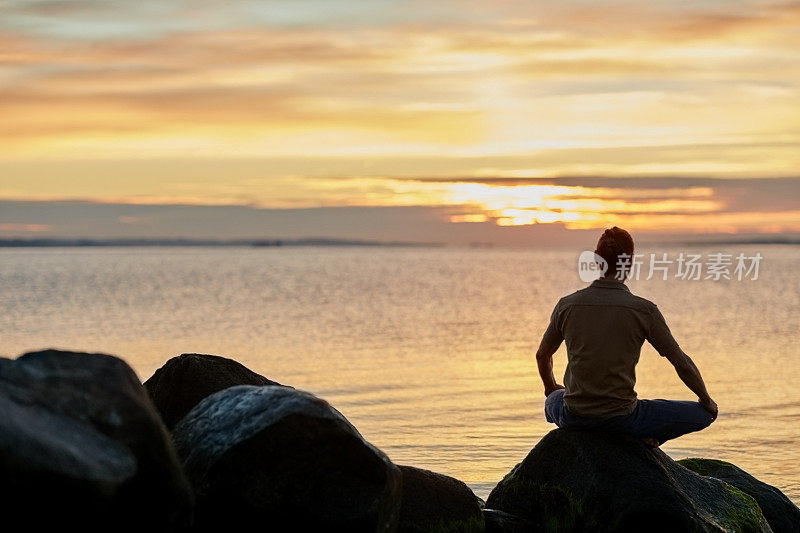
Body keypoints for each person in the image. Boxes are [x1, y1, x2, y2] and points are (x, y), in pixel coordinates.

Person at [535, 226, 718, 447]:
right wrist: (706, 400)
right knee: (703, 414)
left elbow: (542, 355)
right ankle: (651, 438)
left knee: (553, 399)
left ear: (595, 260)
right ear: (629, 262)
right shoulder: (643, 310)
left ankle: (630, 433)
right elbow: (681, 363)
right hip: (622, 418)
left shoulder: (567, 305)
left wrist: (550, 387)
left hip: (573, 416)